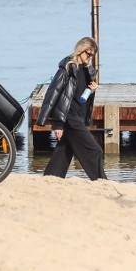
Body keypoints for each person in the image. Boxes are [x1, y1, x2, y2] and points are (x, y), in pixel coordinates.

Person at [37, 37, 107, 181]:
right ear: (81, 50)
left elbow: (81, 97)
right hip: (70, 118)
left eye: (92, 55)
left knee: (63, 152)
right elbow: (53, 93)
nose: (90, 58)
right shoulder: (68, 68)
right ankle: (101, 181)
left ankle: (50, 178)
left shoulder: (88, 71)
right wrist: (57, 124)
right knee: (95, 150)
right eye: (88, 54)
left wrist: (91, 91)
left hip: (78, 116)